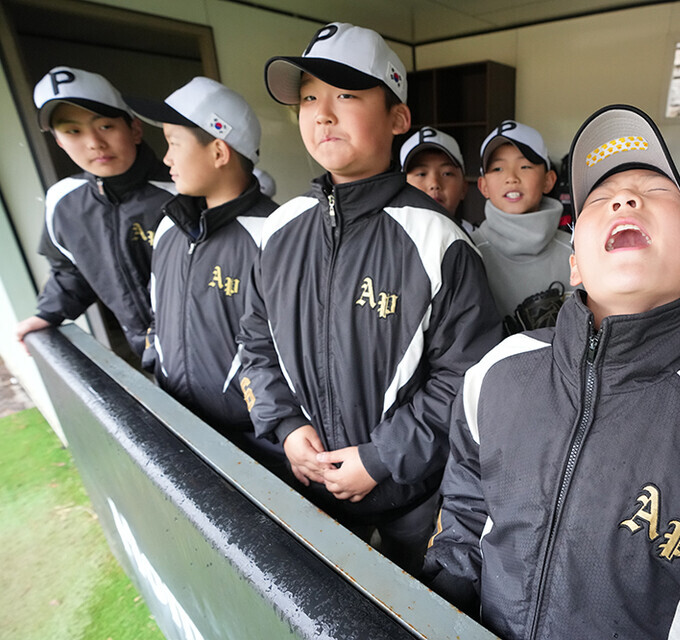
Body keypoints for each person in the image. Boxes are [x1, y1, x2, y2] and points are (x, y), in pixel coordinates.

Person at [423, 104, 680, 639]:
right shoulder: (499, 371)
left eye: (657, 190)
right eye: (599, 198)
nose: (624, 199)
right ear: (573, 262)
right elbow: (465, 511)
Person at [238, 22, 502, 574]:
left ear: (398, 118)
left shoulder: (438, 241)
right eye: (309, 97)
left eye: (346, 95)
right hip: (307, 483)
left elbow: (467, 379)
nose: (322, 112)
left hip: (413, 500)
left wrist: (381, 458)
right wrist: (285, 426)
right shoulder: (281, 229)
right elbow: (256, 342)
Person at [132, 77, 283, 469]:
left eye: (173, 143)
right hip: (177, 421)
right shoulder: (169, 226)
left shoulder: (275, 236)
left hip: (254, 447)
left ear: (218, 151)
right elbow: (157, 310)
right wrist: (154, 361)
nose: (165, 159)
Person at [16, 66, 174, 357]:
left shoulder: (184, 193)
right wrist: (47, 314)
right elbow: (70, 270)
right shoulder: (63, 201)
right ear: (59, 142)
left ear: (135, 129)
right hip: (146, 351)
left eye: (105, 126)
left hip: (214, 353)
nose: (94, 143)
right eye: (73, 131)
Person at [471, 120, 571, 332]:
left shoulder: (575, 251)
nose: (511, 178)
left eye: (525, 166)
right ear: (483, 186)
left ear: (549, 180)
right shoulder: (469, 252)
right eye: (497, 168)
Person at [399, 126, 471, 229]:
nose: (434, 184)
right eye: (421, 174)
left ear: (464, 188)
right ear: (402, 188)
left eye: (446, 173)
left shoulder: (478, 241)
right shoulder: (388, 241)